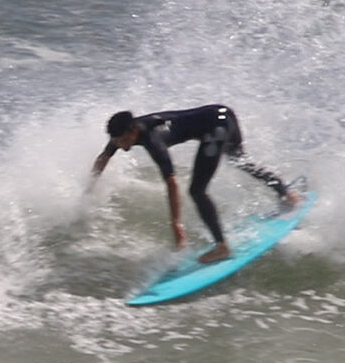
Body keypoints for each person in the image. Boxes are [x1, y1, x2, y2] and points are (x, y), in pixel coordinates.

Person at [90, 104, 298, 263]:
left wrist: (176, 225)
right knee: (238, 160)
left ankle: (221, 246)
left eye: (122, 141)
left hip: (217, 127)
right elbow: (103, 157)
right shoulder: (124, 133)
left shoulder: (153, 140)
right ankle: (286, 193)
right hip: (224, 114)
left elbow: (171, 184)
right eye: (116, 141)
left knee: (197, 191)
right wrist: (89, 188)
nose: (120, 145)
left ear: (133, 131)